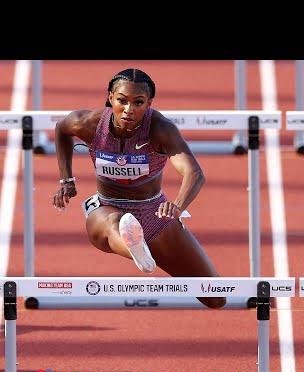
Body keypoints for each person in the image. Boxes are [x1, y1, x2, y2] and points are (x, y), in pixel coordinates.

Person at [52, 68, 225, 309]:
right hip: (106, 208)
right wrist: (66, 180)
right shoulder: (89, 124)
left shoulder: (160, 129)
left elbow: (194, 172)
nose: (129, 109)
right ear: (111, 97)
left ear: (149, 103)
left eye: (138, 103)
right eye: (122, 101)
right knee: (116, 222)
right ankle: (134, 246)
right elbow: (62, 129)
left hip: (155, 212)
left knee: (215, 297)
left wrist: (177, 206)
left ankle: (138, 241)